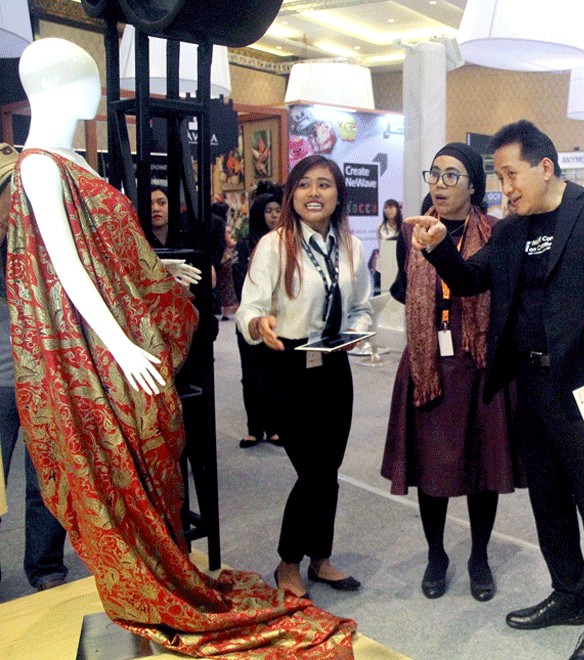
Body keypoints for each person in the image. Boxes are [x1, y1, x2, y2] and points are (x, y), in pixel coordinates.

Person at [11, 38, 354, 655]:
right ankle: (146, 589)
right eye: (85, 79)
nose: (95, 92)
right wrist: (121, 344)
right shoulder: (39, 167)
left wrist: (159, 275)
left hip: (294, 363)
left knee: (158, 465)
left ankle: (169, 580)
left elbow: (107, 259)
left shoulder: (77, 165)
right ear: (53, 85)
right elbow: (65, 271)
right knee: (121, 471)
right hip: (100, 356)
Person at [409, 120, 584, 660]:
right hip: (529, 386)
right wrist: (441, 249)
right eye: (499, 176)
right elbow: (470, 281)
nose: (505, 186)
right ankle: (567, 595)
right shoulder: (512, 231)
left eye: (511, 173)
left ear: (545, 166)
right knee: (548, 502)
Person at [381, 143, 523, 603]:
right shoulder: (412, 232)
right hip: (430, 364)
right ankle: (436, 554)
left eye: (451, 176)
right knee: (433, 467)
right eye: (434, 174)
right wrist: (427, 305)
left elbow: (494, 289)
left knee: (483, 468)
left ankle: (478, 555)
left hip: (478, 362)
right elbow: (403, 289)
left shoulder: (497, 232)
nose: (439, 185)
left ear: (473, 186)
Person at [236, 154, 373, 601]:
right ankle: (288, 561)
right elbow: (249, 308)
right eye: (304, 185)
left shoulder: (350, 246)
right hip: (285, 365)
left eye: (324, 185)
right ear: (291, 194)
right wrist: (259, 325)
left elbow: (361, 306)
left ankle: (321, 557)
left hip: (333, 364)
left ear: (338, 196)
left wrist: (355, 331)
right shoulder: (274, 245)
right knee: (313, 469)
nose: (314, 193)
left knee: (328, 470)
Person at [0, 143, 69, 592]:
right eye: (13, 193)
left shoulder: (46, 241)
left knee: (48, 480)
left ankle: (46, 570)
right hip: (2, 381)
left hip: (46, 379)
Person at [232, 191, 282, 449]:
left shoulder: (285, 243)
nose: (273, 216)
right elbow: (242, 283)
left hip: (278, 322)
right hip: (250, 320)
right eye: (268, 211)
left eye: (277, 210)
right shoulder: (246, 244)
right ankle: (254, 429)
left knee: (273, 375)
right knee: (250, 375)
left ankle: (274, 428)